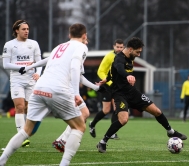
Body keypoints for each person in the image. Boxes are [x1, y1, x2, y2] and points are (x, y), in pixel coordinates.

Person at [0, 23, 91, 166]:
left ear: (69, 35)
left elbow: (46, 60)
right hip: (58, 90)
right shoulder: (81, 47)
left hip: (39, 88)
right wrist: (76, 93)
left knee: (26, 130)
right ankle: (64, 163)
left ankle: (2, 160)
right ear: (84, 35)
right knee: (79, 127)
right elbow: (74, 66)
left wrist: (31, 66)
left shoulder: (59, 47)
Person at [96, 37, 187, 153]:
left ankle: (171, 132)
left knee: (157, 111)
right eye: (137, 52)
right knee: (123, 120)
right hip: (119, 94)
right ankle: (103, 142)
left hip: (132, 92)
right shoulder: (119, 58)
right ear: (129, 49)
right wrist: (127, 76)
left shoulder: (131, 57)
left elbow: (111, 72)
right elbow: (119, 68)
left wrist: (107, 79)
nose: (139, 54)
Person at [1, 20, 42, 147]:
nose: (26, 31)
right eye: (24, 29)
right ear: (16, 31)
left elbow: (39, 62)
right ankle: (21, 136)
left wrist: (38, 73)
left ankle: (26, 132)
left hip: (31, 80)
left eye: (27, 29)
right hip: (17, 80)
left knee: (29, 108)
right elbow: (5, 64)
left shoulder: (34, 44)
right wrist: (21, 68)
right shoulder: (9, 45)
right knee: (19, 106)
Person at [89, 39, 124, 139]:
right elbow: (100, 71)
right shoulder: (109, 56)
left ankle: (112, 133)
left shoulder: (125, 58)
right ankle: (92, 124)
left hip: (117, 87)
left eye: (121, 47)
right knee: (106, 110)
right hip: (107, 86)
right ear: (114, 46)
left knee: (116, 108)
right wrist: (108, 81)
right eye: (117, 47)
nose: (119, 49)